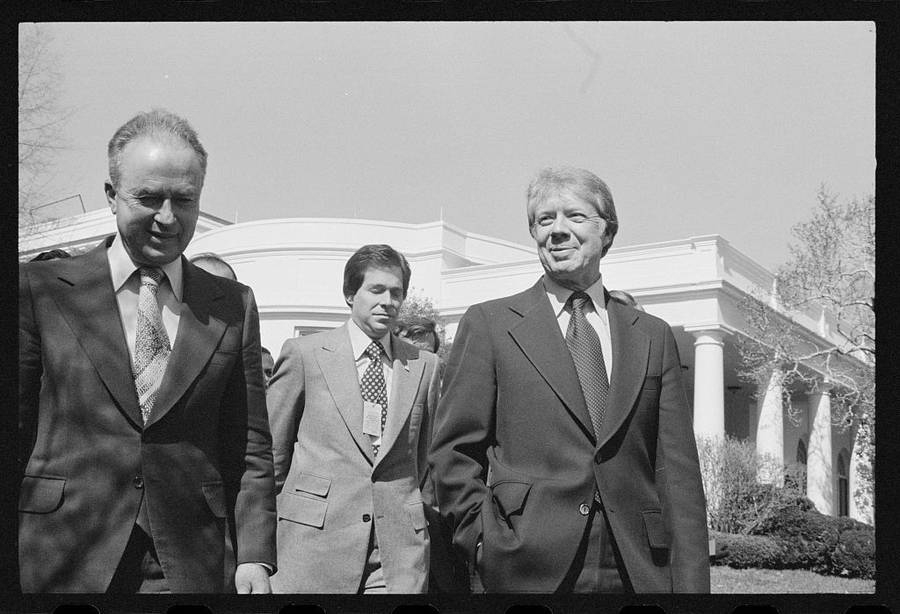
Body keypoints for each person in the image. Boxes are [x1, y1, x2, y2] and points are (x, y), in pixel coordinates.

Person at [18, 109, 276, 593]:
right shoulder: (42, 291)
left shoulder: (231, 304)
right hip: (63, 550)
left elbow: (249, 444)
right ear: (111, 196)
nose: (167, 217)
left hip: (188, 558)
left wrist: (255, 557)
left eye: (184, 200)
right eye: (149, 197)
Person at [428, 167, 709, 593]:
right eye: (544, 220)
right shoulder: (490, 324)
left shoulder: (653, 336)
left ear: (606, 232)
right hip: (525, 564)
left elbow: (678, 476)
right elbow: (453, 452)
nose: (557, 231)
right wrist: (483, 539)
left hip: (635, 566)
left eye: (574, 217)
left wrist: (691, 586)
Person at [266, 244, 443, 593]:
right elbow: (273, 456)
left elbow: (423, 460)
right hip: (312, 546)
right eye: (376, 290)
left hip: (396, 554)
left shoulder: (424, 366)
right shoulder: (305, 354)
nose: (388, 301)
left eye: (396, 292)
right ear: (350, 294)